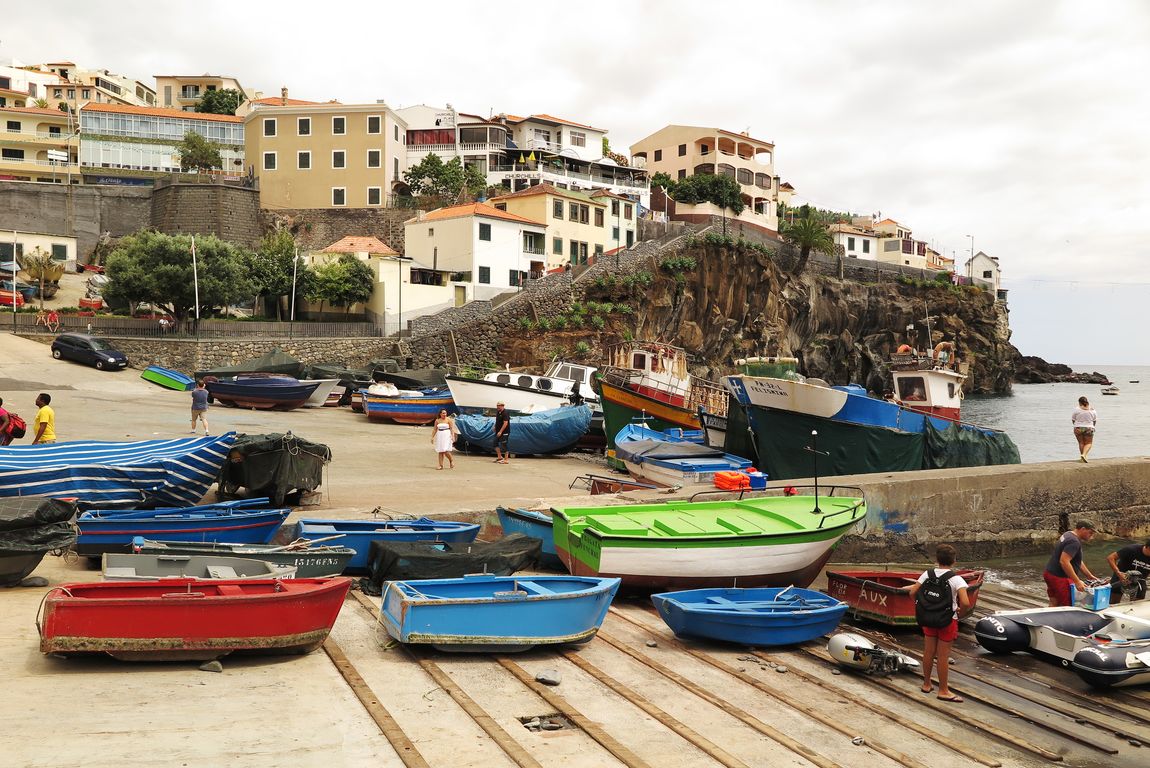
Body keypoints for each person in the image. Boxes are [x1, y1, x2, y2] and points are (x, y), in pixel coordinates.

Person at [905, 544, 971, 702]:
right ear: (954, 561)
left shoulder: (927, 574)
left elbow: (912, 592)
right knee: (942, 656)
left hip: (928, 618)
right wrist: (959, 614)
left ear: (937, 559)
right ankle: (943, 690)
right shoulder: (956, 579)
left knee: (928, 652)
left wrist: (920, 606)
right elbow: (966, 602)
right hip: (947, 621)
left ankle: (926, 684)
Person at [1043, 521, 1099, 606]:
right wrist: (1077, 581)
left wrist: (1089, 575)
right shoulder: (1074, 542)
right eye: (1090, 533)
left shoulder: (1067, 534)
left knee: (1054, 601)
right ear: (1083, 529)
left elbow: (1077, 561)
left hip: (1049, 573)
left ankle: (1047, 618)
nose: (1091, 536)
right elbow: (1064, 561)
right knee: (1067, 605)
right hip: (1060, 577)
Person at [1072, 396, 1097, 462]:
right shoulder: (1092, 410)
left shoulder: (1076, 409)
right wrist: (1093, 427)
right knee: (1089, 443)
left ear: (1080, 402)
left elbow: (1073, 419)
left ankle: (1082, 457)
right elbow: (1094, 420)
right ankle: (1084, 455)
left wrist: (1076, 426)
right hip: (1089, 428)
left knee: (1081, 443)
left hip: (1078, 428)